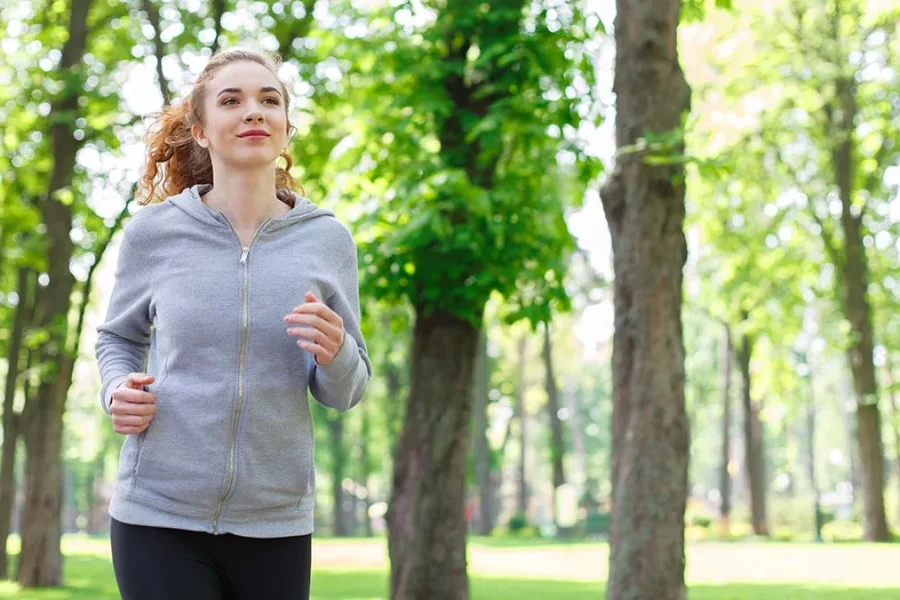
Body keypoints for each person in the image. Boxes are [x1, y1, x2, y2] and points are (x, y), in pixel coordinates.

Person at [94, 47, 372, 600]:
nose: (254, 111)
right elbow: (118, 339)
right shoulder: (154, 233)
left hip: (276, 521)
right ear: (200, 131)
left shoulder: (328, 240)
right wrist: (115, 389)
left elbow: (347, 391)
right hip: (158, 515)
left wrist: (335, 352)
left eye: (269, 100)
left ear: (286, 130)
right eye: (232, 100)